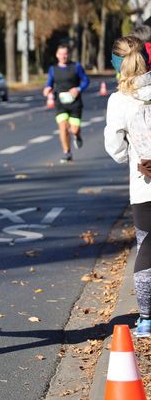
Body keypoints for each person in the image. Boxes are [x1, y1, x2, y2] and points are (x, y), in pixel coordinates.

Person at [104, 35, 151, 337]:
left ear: (116, 63)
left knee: (147, 247)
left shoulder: (119, 99)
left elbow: (114, 148)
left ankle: (147, 319)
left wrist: (131, 155)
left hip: (145, 183)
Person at [43, 44, 90, 163]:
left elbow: (86, 80)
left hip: (75, 103)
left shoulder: (76, 67)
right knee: (63, 127)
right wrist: (47, 88)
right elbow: (49, 82)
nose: (63, 56)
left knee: (74, 130)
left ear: (68, 55)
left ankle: (77, 136)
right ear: (57, 55)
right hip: (61, 103)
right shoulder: (53, 69)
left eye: (65, 54)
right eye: (61, 54)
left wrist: (78, 89)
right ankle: (67, 152)